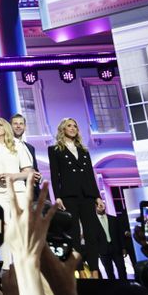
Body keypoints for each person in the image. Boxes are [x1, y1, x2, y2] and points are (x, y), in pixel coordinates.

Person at [48, 117, 102, 278]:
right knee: (74, 234)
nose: (72, 128)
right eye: (69, 126)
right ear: (62, 129)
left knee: (91, 234)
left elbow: (90, 175)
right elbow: (54, 175)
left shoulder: (84, 150)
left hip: (87, 195)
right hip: (68, 195)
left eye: (75, 126)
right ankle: (79, 271)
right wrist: (57, 197)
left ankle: (94, 270)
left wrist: (97, 197)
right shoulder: (55, 150)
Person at [0, 118, 34, 270]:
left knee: (20, 228)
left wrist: (12, 176)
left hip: (18, 191)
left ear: (6, 128)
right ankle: (4, 269)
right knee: (2, 229)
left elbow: (28, 171)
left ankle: (22, 267)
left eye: (0, 125)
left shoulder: (17, 146)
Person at [10, 113, 42, 198]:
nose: (18, 126)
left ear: (25, 127)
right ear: (10, 127)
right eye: (15, 124)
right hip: (18, 191)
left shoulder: (30, 148)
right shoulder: (7, 146)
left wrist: (38, 177)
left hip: (34, 192)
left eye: (21, 124)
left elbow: (35, 169)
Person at [95, 198, 128, 280]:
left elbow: (120, 234)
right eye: (99, 205)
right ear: (95, 207)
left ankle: (124, 287)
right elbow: (93, 238)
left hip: (116, 248)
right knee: (109, 272)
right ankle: (113, 288)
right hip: (103, 251)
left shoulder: (113, 219)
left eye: (102, 204)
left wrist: (123, 248)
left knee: (122, 269)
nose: (101, 206)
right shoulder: (93, 222)